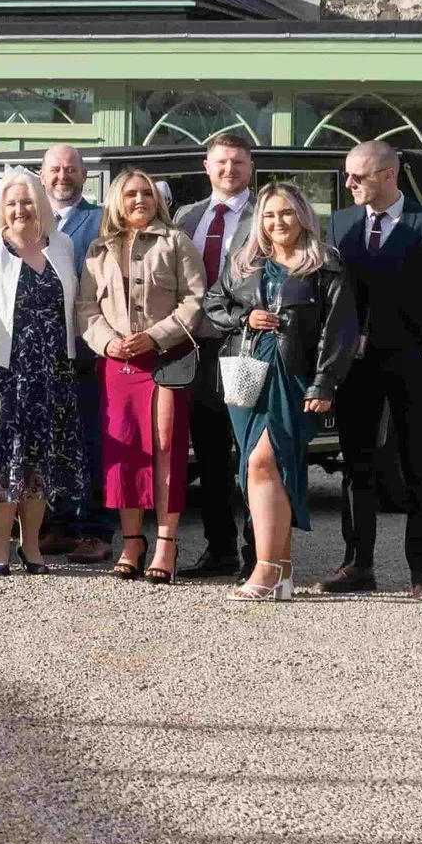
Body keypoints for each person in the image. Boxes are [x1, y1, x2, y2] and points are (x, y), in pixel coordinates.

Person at [324, 140, 422, 602]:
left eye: (356, 177)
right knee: (356, 468)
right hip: (356, 367)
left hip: (411, 363)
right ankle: (357, 565)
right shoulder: (342, 223)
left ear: (388, 175)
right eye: (347, 175)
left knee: (419, 469)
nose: (348, 184)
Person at [202, 183, 355, 602]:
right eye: (269, 215)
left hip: (295, 380)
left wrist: (324, 382)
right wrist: (244, 316)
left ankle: (265, 570)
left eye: (286, 213)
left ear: (303, 216)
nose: (277, 222)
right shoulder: (246, 263)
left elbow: (339, 331)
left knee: (266, 462)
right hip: (248, 375)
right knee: (266, 469)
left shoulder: (325, 266)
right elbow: (213, 303)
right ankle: (282, 573)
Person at [0, 170, 84, 575]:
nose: (19, 209)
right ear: (0, 208)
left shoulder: (61, 245)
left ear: (40, 204)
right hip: (3, 372)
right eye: (11, 203)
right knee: (2, 462)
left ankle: (32, 547)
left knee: (39, 462)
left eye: (26, 202)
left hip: (52, 372)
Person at [78, 168, 206, 583]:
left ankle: (166, 544)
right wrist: (107, 342)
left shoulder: (176, 242)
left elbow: (195, 299)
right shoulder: (99, 249)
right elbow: (85, 308)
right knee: (125, 450)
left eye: (147, 194)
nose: (139, 200)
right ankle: (132, 542)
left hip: (166, 359)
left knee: (166, 447)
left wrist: (154, 336)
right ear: (117, 199)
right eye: (131, 194)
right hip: (118, 363)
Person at [173, 132, 259, 578]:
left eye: (238, 163)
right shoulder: (186, 217)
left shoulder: (268, 214)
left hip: (246, 345)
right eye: (221, 162)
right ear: (206, 166)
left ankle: (256, 555)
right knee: (208, 455)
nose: (229, 170)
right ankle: (220, 548)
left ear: (250, 168)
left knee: (250, 453)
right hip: (197, 347)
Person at [39, 143, 112, 565]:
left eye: (71, 169)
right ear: (41, 174)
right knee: (53, 444)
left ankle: (96, 528)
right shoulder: (29, 218)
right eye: (55, 169)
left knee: (92, 442)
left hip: (88, 352)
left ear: (84, 176)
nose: (62, 177)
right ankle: (60, 523)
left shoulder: (100, 221)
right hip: (42, 356)